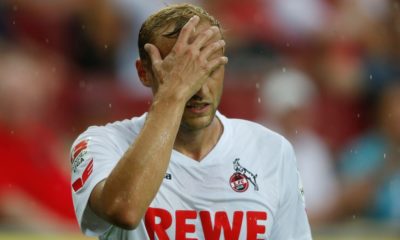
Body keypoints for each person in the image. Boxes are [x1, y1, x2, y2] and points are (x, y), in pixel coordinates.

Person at [70, 4, 312, 239]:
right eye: (181, 73)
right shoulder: (101, 143)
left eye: (209, 69)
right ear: (144, 73)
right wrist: (173, 96)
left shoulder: (272, 150)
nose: (198, 89)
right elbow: (124, 210)